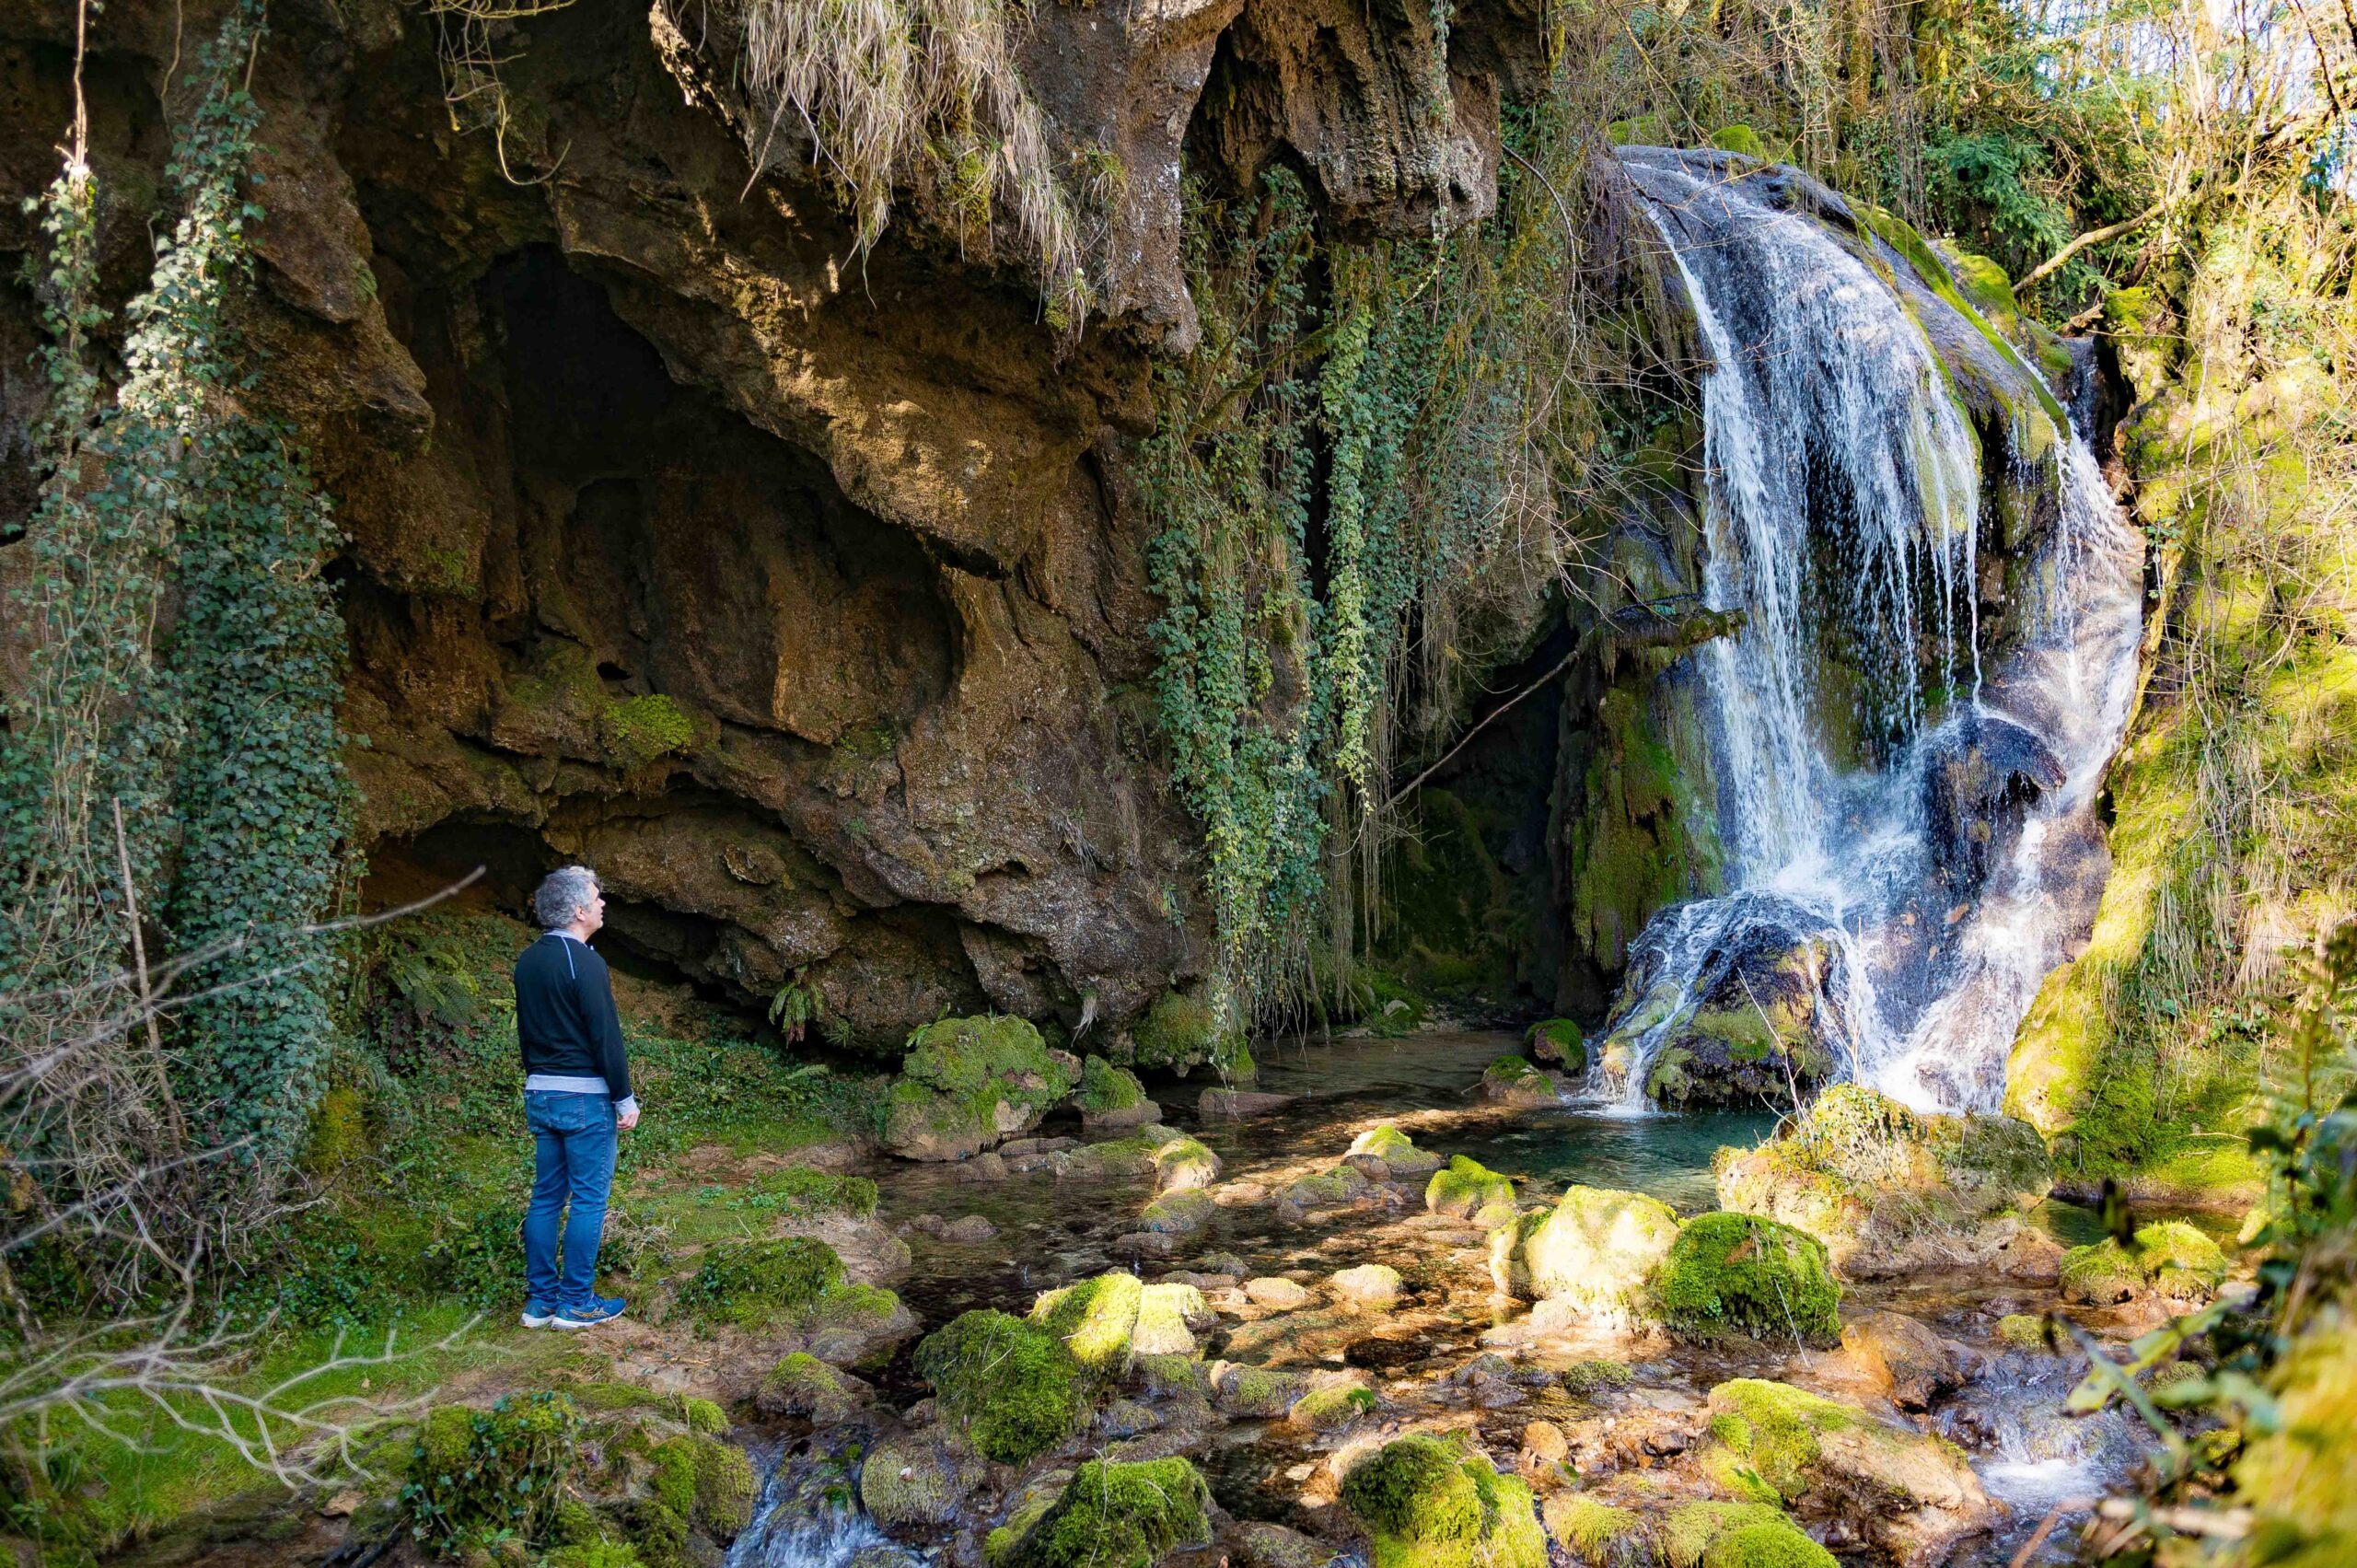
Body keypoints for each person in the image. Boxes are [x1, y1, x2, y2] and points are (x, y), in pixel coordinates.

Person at [516, 865, 640, 1329]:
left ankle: (541, 1302)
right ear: (578, 909)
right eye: (596, 897)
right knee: (589, 1199)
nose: (603, 903)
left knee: (546, 1197)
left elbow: (528, 1034)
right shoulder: (583, 961)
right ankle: (576, 1303)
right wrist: (624, 1098)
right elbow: (605, 1036)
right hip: (584, 1099)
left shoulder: (528, 959)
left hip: (540, 1093)